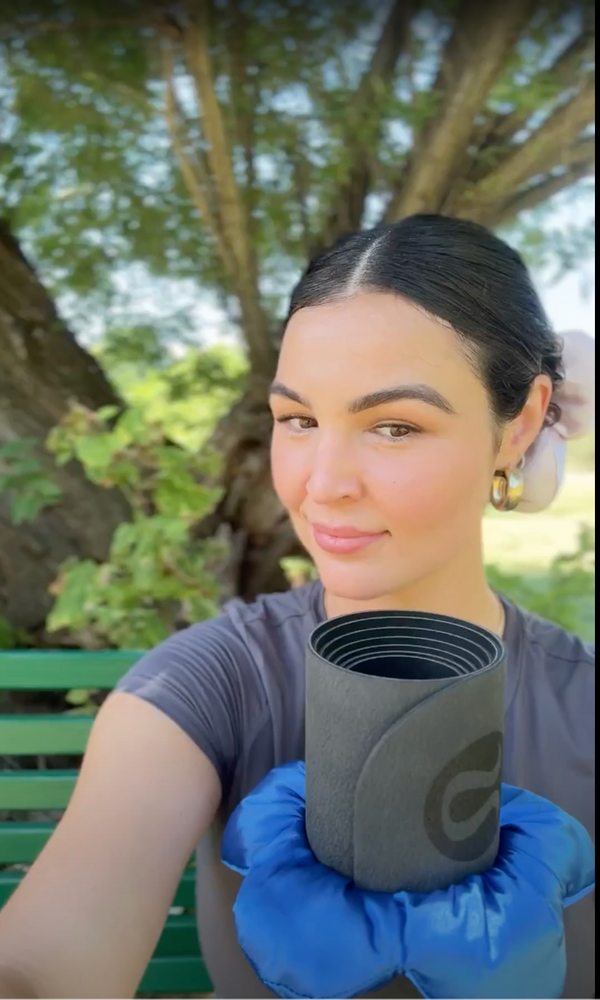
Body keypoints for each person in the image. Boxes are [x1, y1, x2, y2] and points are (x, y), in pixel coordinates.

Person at [0, 215, 594, 999]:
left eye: (393, 425)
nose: (322, 483)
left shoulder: (582, 704)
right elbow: (41, 970)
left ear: (518, 424)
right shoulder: (212, 684)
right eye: (299, 420)